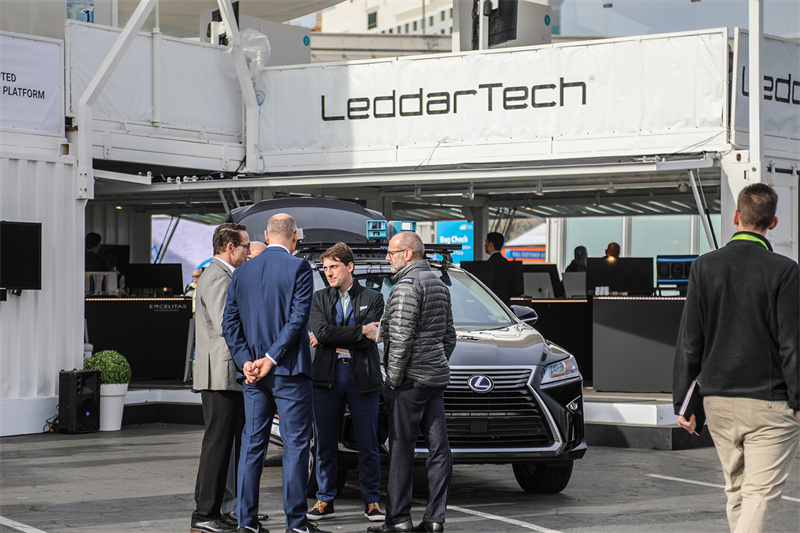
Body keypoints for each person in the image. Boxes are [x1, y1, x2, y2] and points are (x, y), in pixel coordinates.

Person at [673, 183, 799, 533]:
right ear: (773, 223)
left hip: (718, 402)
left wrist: (683, 402)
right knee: (759, 495)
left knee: (738, 492)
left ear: (735, 217)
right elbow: (792, 344)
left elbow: (689, 341)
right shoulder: (785, 271)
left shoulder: (704, 266)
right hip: (769, 404)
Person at [222, 214, 328, 533]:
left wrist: (246, 361)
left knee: (252, 445)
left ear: (267, 236)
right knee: (295, 447)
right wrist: (270, 359)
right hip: (290, 371)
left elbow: (230, 323)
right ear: (295, 237)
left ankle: (247, 523)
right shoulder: (300, 268)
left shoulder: (243, 270)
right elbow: (297, 320)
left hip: (253, 375)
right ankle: (295, 523)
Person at [369, 232, 456, 533]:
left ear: (407, 254)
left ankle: (398, 520)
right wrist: (435, 361)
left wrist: (392, 381)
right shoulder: (438, 283)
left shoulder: (406, 285)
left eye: (391, 252)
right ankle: (435, 520)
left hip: (409, 381)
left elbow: (400, 339)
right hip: (434, 379)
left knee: (401, 449)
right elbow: (449, 336)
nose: (387, 258)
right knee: (439, 450)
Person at [306, 243, 385, 524]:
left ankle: (372, 501)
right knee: (325, 442)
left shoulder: (374, 297)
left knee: (368, 442)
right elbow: (321, 331)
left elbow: (370, 338)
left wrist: (329, 336)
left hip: (362, 376)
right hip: (326, 378)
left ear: (349, 267)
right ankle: (324, 500)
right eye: (325, 268)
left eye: (334, 267)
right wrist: (358, 330)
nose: (328, 273)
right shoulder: (318, 298)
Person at [191, 224, 251, 533]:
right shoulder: (217, 277)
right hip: (221, 374)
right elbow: (227, 325)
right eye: (245, 246)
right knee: (217, 445)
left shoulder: (220, 275)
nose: (248, 252)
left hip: (224, 373)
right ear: (230, 247)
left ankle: (214, 512)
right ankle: (205, 515)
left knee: (222, 445)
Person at [483, 232, 514, 305]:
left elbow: (487, 286)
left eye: (486, 242)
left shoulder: (489, 264)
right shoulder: (508, 263)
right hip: (505, 305)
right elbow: (513, 287)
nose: (485, 245)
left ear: (491, 244)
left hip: (492, 305)